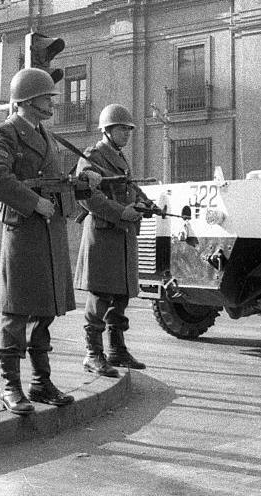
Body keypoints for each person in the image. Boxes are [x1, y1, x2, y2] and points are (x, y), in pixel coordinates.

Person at [0, 67, 101, 416]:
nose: (54, 100)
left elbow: (53, 181)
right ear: (30, 100)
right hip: (23, 232)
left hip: (49, 234)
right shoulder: (6, 133)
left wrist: (83, 183)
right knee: (16, 313)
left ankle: (40, 382)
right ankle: (11, 387)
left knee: (44, 312)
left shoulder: (46, 135)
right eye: (49, 96)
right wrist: (34, 202)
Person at [74, 104, 146, 377]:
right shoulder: (92, 156)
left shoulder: (118, 157)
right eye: (121, 129)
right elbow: (88, 196)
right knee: (101, 295)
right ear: (107, 130)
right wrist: (121, 212)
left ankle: (117, 349)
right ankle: (93, 354)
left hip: (121, 234)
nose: (126, 134)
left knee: (120, 295)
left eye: (128, 130)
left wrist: (141, 204)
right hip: (104, 233)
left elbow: (126, 189)